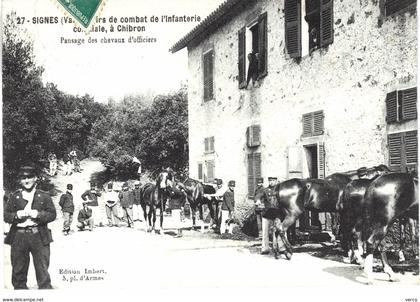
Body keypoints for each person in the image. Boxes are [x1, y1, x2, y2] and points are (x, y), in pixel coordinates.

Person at [4, 165, 56, 289]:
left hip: (38, 234)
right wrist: (16, 215)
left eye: (29, 177)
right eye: (23, 178)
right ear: (20, 180)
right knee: (18, 272)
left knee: (43, 271)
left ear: (36, 178)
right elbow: (6, 215)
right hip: (19, 236)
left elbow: (52, 214)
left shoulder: (44, 196)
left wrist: (38, 214)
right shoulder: (14, 196)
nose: (26, 181)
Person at [260, 176, 278, 254]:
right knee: (265, 232)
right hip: (267, 213)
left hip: (276, 213)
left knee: (276, 231)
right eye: (270, 180)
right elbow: (259, 197)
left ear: (276, 181)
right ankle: (265, 248)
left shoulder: (279, 190)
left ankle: (275, 247)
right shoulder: (265, 190)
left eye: (273, 180)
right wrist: (257, 200)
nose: (271, 182)